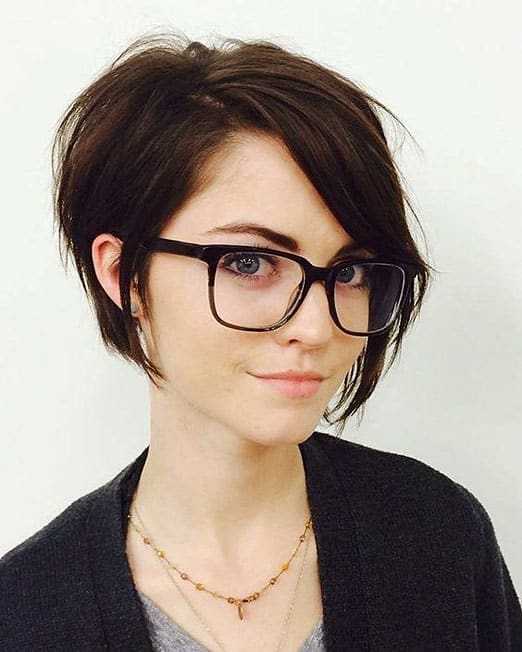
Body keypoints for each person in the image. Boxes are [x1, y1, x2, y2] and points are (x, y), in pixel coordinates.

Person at [1, 31, 521, 652]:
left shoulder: (436, 537)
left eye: (350, 271)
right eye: (249, 263)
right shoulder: (25, 612)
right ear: (124, 274)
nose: (317, 327)